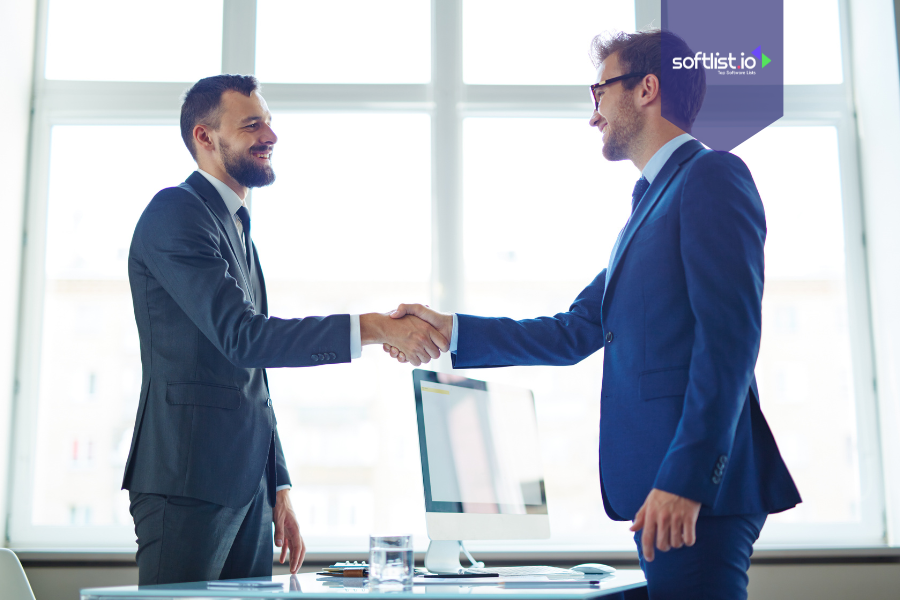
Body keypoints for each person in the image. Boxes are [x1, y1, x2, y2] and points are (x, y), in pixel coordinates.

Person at [385, 29, 801, 600]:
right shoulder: (649, 203)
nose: (593, 113)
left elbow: (729, 344)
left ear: (646, 88)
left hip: (691, 490)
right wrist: (447, 331)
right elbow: (575, 331)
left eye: (599, 90)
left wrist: (685, 479)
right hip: (659, 487)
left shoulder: (711, 177)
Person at [122, 74, 448, 585]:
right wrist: (377, 327)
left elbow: (249, 375)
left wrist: (277, 486)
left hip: (245, 486)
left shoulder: (235, 227)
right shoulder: (176, 213)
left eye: (269, 123)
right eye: (252, 125)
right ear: (206, 138)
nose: (270, 136)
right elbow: (245, 337)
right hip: (187, 480)